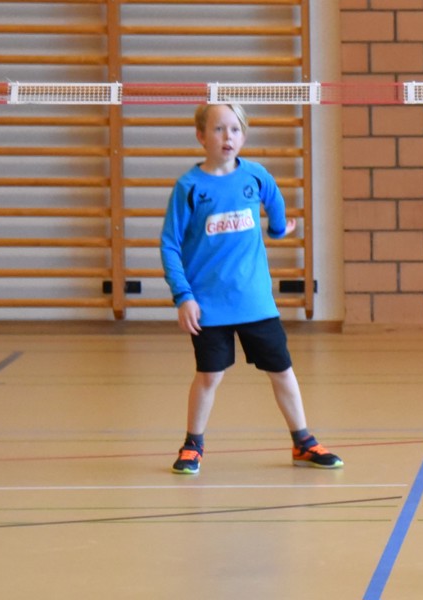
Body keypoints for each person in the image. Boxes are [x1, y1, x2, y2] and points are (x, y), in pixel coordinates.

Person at [159, 102, 343, 475]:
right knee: (209, 375)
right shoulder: (190, 187)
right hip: (208, 305)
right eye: (218, 129)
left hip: (256, 302)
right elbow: (170, 245)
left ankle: (303, 442)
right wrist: (184, 297)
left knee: (282, 371)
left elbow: (275, 204)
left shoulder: (256, 177)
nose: (228, 137)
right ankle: (192, 445)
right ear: (200, 136)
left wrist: (278, 229)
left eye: (235, 130)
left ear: (244, 136)